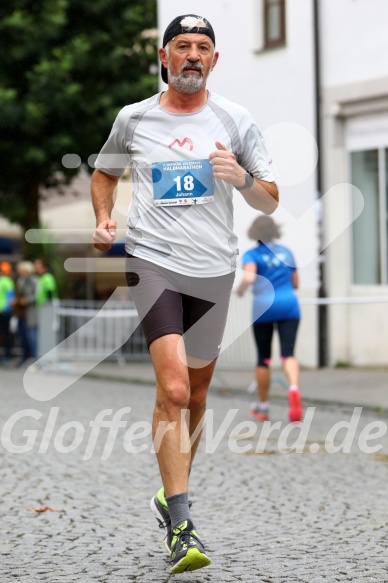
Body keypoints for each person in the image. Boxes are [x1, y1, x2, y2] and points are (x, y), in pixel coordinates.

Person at [92, 14, 278, 574]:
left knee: (196, 397)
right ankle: (181, 522)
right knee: (172, 388)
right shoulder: (135, 118)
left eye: (203, 47)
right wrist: (104, 219)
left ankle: (169, 492)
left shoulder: (235, 120)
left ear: (214, 60)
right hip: (151, 262)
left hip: (214, 270)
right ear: (165, 58)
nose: (193, 55)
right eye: (182, 47)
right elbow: (104, 172)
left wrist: (241, 178)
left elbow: (269, 200)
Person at [236, 215, 303, 423]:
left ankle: (263, 407)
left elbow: (249, 277)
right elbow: (296, 283)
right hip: (289, 305)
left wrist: (240, 290)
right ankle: (293, 388)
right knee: (287, 354)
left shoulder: (252, 255)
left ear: (254, 233)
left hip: (264, 307)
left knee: (263, 358)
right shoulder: (287, 253)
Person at [13, 261, 38, 364]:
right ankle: (25, 356)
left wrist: (26, 300)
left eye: (21, 270)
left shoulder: (32, 280)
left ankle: (33, 357)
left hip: (29, 312)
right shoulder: (19, 280)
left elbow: (36, 295)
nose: (19, 272)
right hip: (20, 312)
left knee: (30, 335)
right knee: (22, 335)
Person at [0, 261, 16, 364]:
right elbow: (11, 298)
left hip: (4, 311)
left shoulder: (6, 281)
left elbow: (11, 298)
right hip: (4, 311)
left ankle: (7, 354)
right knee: (5, 333)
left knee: (5, 333)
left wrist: (7, 307)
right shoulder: (7, 281)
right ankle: (6, 354)